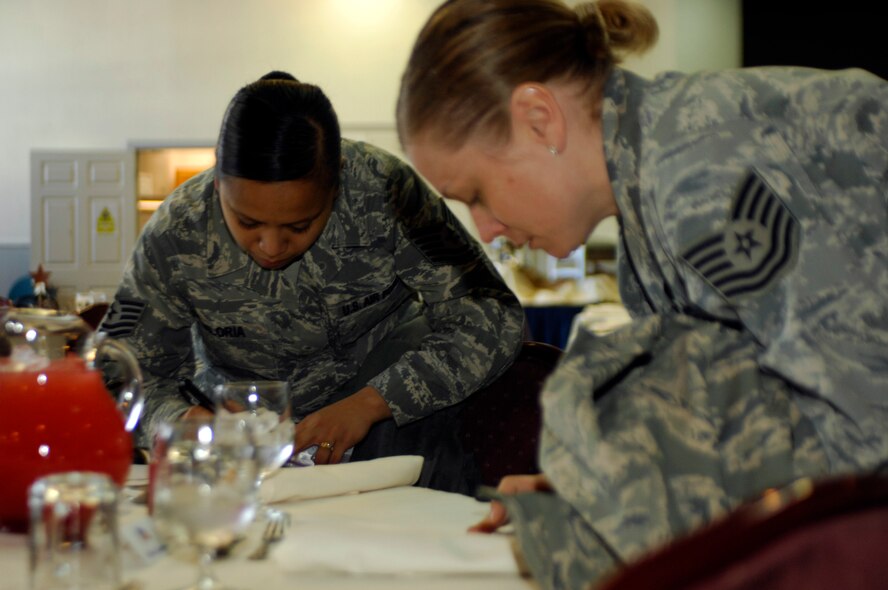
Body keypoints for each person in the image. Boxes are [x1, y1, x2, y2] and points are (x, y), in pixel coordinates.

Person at [397, 0, 888, 587]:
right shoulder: (648, 211)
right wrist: (600, 499)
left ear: (539, 119)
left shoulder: (699, 169)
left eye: (475, 193)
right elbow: (742, 422)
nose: (485, 230)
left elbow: (862, 453)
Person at [101, 71, 525, 494]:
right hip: (242, 455)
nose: (270, 246)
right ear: (218, 181)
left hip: (394, 434)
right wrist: (188, 422)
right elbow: (117, 375)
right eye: (247, 222)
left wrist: (372, 403)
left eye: (299, 225)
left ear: (337, 184)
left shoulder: (385, 192)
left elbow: (489, 313)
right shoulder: (177, 232)